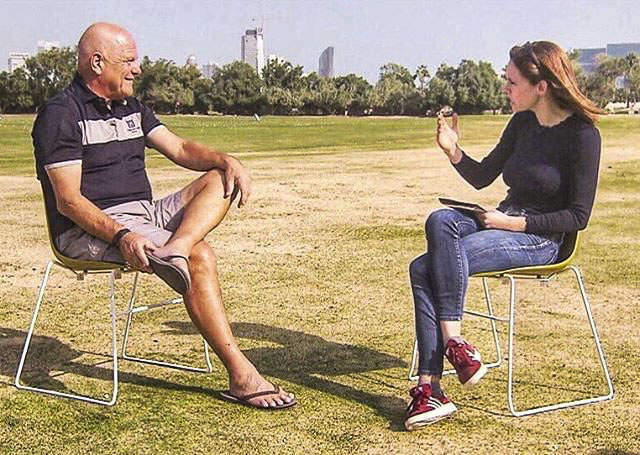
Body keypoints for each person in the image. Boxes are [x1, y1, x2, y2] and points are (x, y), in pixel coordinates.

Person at [32, 22, 295, 410]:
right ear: (97, 62)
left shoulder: (132, 107)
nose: (137, 69)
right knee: (202, 257)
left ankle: (177, 249)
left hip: (146, 214)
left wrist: (227, 160)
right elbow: (69, 202)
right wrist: (122, 237)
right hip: (91, 227)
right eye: (129, 61)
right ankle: (242, 375)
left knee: (219, 179)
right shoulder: (61, 115)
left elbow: (181, 148)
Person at [404, 41, 604, 430]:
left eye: (511, 82)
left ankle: (431, 388)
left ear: (540, 86)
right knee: (439, 220)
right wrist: (453, 150)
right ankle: (456, 346)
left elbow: (577, 217)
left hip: (543, 238)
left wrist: (509, 224)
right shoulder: (522, 124)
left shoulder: (583, 136)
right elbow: (483, 176)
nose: (506, 89)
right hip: (504, 217)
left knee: (421, 268)